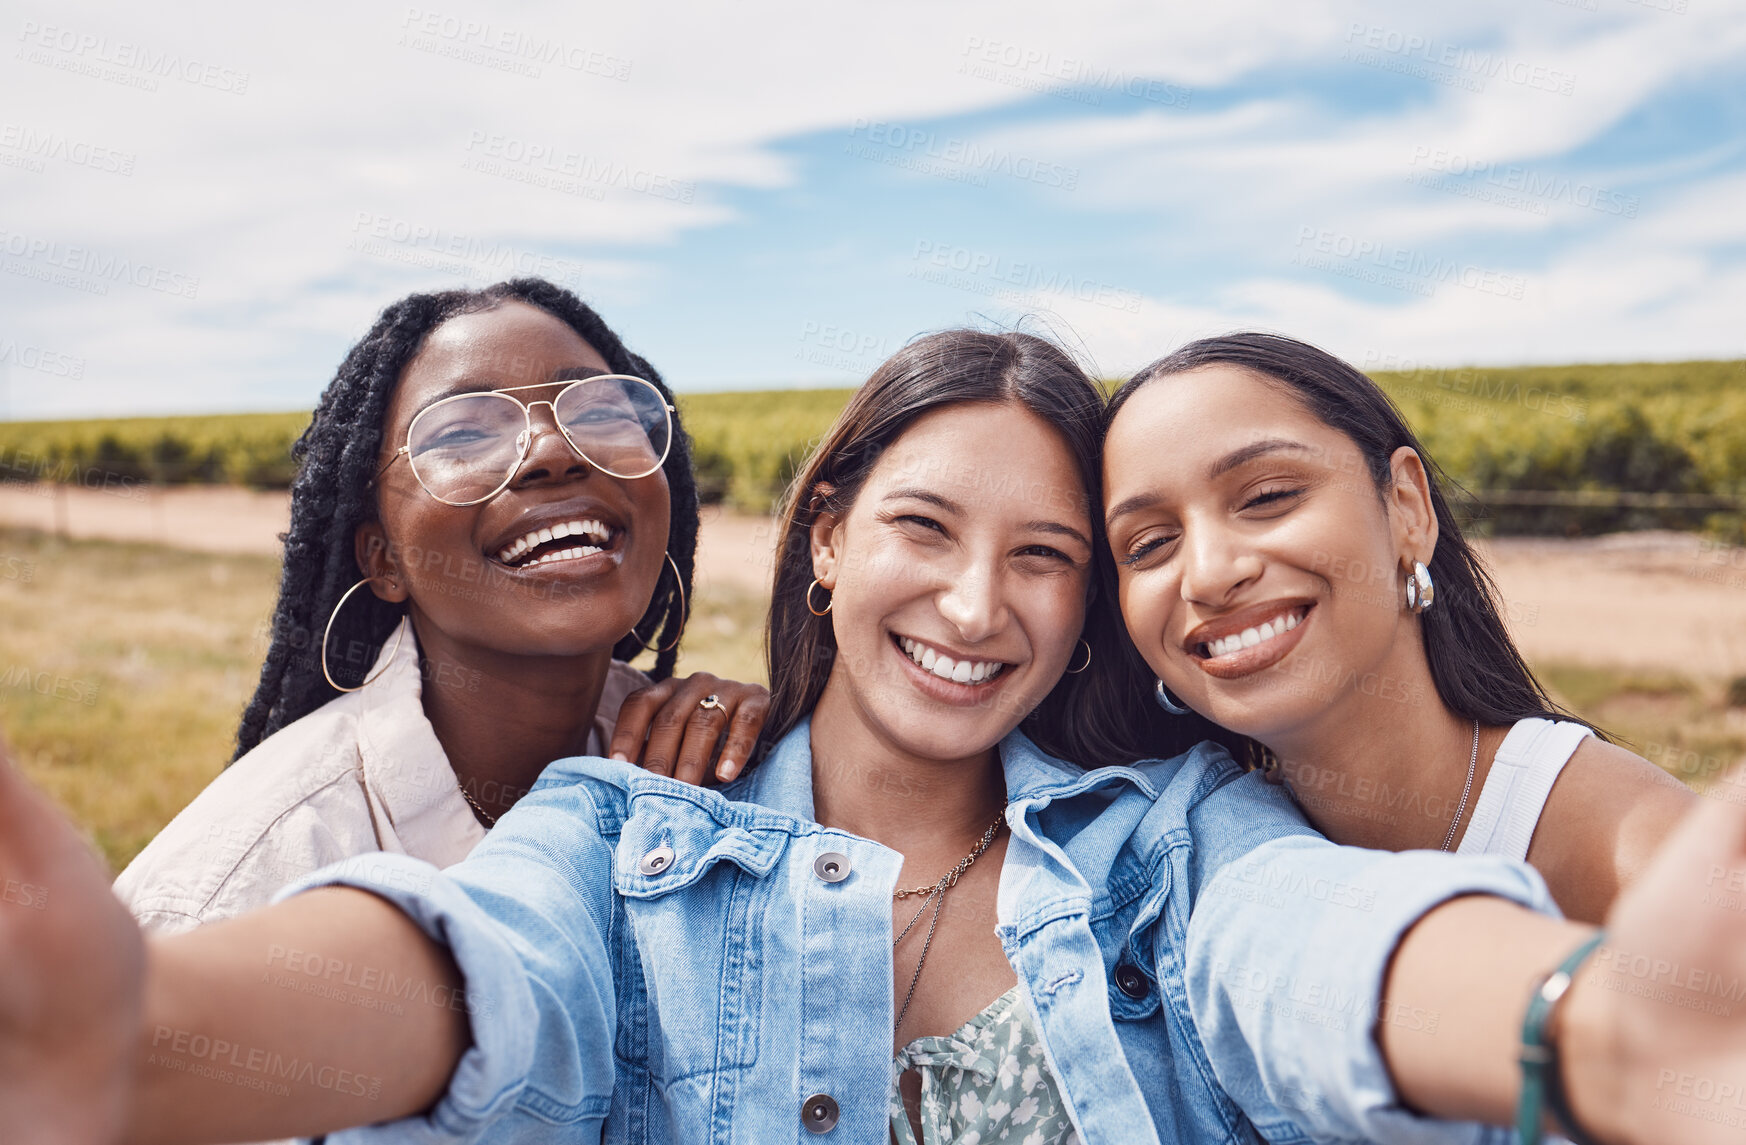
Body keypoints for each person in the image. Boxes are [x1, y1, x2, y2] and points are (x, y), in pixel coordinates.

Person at [2, 330, 1744, 1145]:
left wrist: (1576, 1033)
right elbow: (462, 976)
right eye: (924, 527)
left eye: (1050, 556)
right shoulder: (622, 833)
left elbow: (1304, 949)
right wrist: (144, 1032)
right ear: (828, 532)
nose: (977, 606)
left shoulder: (1161, 837)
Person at [113, 278, 769, 934]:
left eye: (599, 411)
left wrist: (779, 748)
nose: (553, 450)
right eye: (463, 433)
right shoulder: (231, 900)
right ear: (384, 559)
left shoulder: (707, 769)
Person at [1097, 332, 1696, 924]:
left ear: (1408, 507)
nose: (1207, 575)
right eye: (1148, 544)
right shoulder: (1174, 872)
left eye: (1268, 496)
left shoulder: (1647, 859)